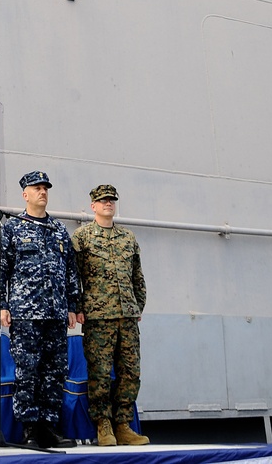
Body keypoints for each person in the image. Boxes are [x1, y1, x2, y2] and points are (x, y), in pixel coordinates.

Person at [0, 171, 81, 449]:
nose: (42, 192)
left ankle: (48, 427)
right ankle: (30, 429)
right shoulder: (13, 228)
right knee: (28, 371)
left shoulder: (59, 230)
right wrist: (1, 304)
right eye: (36, 188)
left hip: (55, 313)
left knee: (54, 371)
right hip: (25, 313)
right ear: (24, 194)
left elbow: (70, 271)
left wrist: (73, 305)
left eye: (45, 188)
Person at [71, 184, 149, 446]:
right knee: (101, 373)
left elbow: (137, 276)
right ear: (93, 206)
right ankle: (104, 425)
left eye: (111, 201)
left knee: (130, 372)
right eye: (103, 201)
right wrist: (78, 306)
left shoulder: (128, 238)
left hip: (127, 316)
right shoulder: (82, 237)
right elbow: (74, 277)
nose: (108, 204)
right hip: (98, 316)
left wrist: (138, 305)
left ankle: (123, 424)